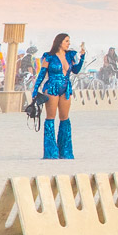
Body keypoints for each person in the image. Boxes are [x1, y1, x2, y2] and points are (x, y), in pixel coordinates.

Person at [35, 32, 83, 160]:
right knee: (50, 118)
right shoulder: (49, 57)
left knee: (64, 118)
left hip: (65, 88)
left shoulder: (70, 56)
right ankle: (51, 152)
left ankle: (65, 151)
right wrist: (35, 89)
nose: (69, 43)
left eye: (69, 41)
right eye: (67, 41)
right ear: (59, 42)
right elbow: (42, 73)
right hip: (52, 87)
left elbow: (76, 70)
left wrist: (82, 58)